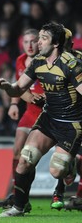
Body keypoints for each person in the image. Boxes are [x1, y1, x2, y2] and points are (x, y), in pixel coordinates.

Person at [0, 22, 82, 217]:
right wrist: (7, 86)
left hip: (71, 124)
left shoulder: (72, 64)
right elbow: (18, 88)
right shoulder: (37, 62)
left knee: (57, 171)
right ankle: (19, 206)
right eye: (38, 37)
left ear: (56, 43)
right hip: (49, 119)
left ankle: (70, 165)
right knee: (26, 159)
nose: (38, 42)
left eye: (43, 38)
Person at [0, 29, 43, 212]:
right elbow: (19, 84)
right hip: (30, 112)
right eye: (26, 42)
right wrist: (14, 104)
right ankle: (19, 195)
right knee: (17, 151)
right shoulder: (20, 60)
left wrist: (37, 96)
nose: (30, 45)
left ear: (40, 42)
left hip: (49, 111)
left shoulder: (46, 60)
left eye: (33, 41)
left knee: (58, 161)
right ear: (22, 44)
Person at [51, 28, 82, 211]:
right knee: (64, 158)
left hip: (77, 112)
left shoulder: (78, 59)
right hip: (63, 115)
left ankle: (77, 195)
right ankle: (59, 190)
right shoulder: (49, 61)